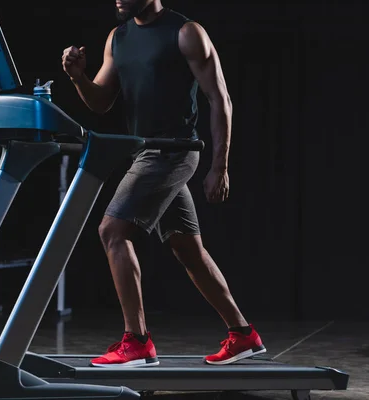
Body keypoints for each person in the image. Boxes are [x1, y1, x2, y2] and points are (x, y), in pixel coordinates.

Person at [61, 0, 266, 367]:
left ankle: (137, 342)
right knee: (187, 249)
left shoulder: (186, 33)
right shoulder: (117, 38)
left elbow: (220, 99)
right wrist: (79, 77)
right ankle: (243, 335)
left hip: (174, 152)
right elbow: (101, 102)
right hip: (145, 153)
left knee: (112, 231)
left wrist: (221, 166)